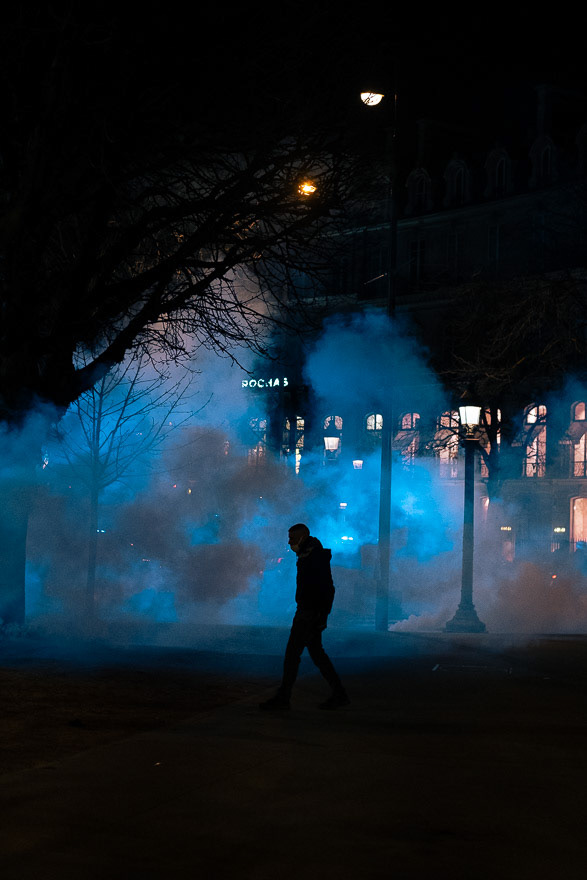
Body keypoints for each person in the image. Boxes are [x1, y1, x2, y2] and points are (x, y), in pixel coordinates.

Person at [259, 523, 350, 711]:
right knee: (315, 655)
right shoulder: (309, 555)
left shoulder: (312, 557)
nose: (289, 542)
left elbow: (326, 588)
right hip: (309, 612)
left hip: (308, 614)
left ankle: (284, 698)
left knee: (294, 655)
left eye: (292, 538)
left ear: (302, 537)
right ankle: (339, 694)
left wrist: (320, 616)